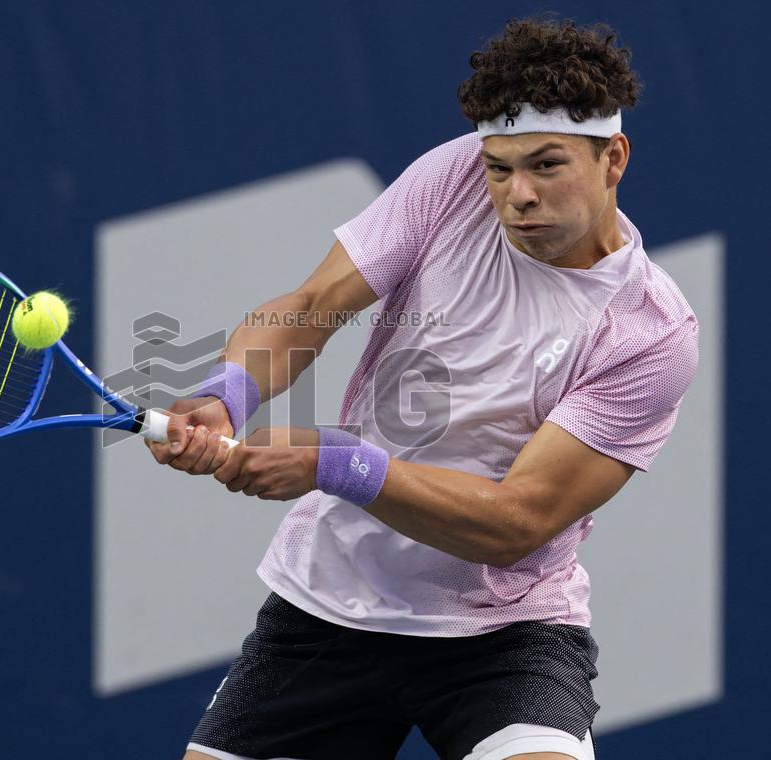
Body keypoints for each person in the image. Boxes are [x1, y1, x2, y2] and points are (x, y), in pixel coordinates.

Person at [146, 16, 699, 760]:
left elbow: (516, 522)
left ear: (613, 158)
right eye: (500, 168)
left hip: (505, 632)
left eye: (546, 165)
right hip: (330, 608)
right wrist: (228, 396)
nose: (516, 194)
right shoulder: (450, 178)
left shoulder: (650, 332)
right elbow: (310, 307)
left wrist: (328, 463)